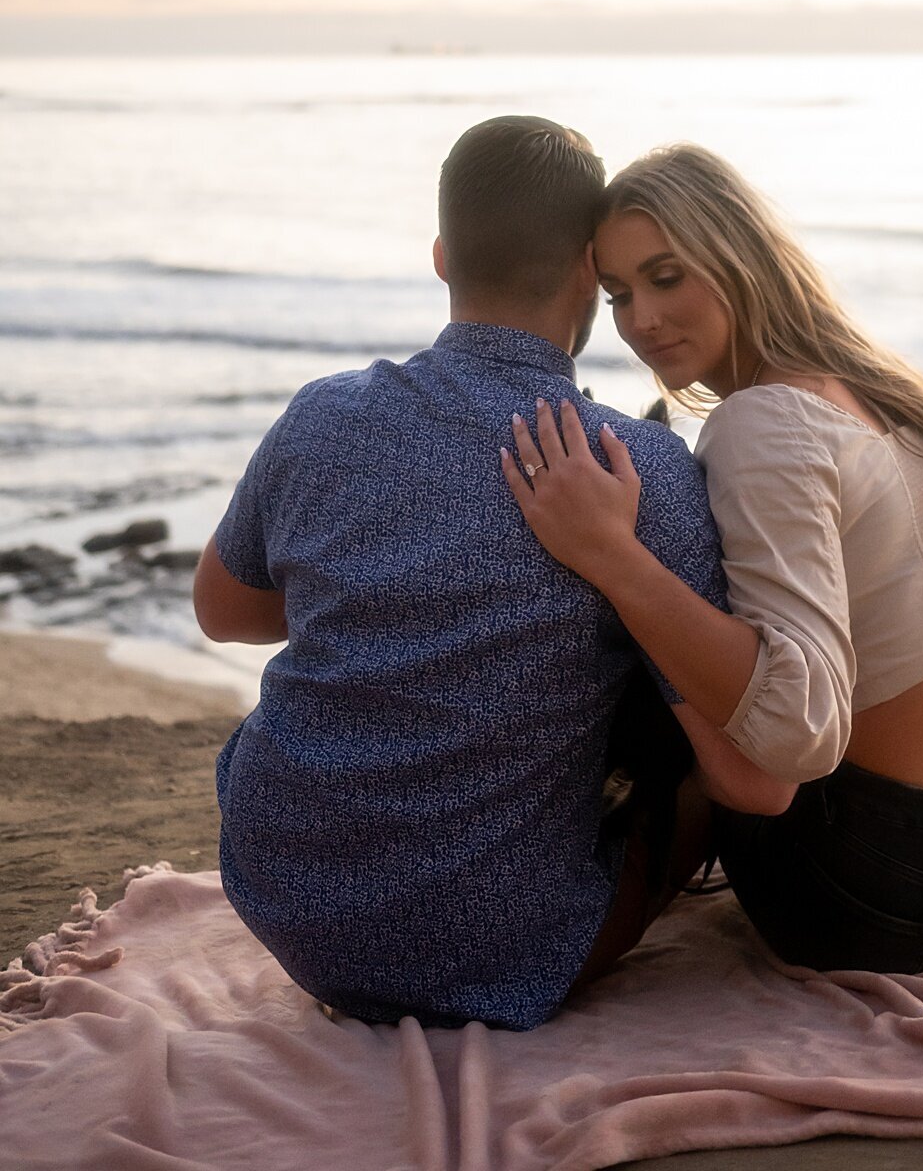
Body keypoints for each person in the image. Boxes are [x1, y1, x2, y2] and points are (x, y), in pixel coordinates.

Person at [192, 116, 792, 1031]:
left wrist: (379, 581)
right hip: (503, 953)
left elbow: (223, 613)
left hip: (289, 908)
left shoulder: (324, 417)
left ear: (442, 256)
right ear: (591, 269)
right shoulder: (635, 471)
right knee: (700, 753)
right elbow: (748, 765)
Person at [504, 142, 923, 975]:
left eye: (667, 276)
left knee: (662, 669)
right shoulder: (888, 390)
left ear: (737, 256)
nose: (641, 321)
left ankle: (558, 944)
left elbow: (792, 728)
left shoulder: (762, 424)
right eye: (619, 294)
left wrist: (611, 557)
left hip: (893, 895)